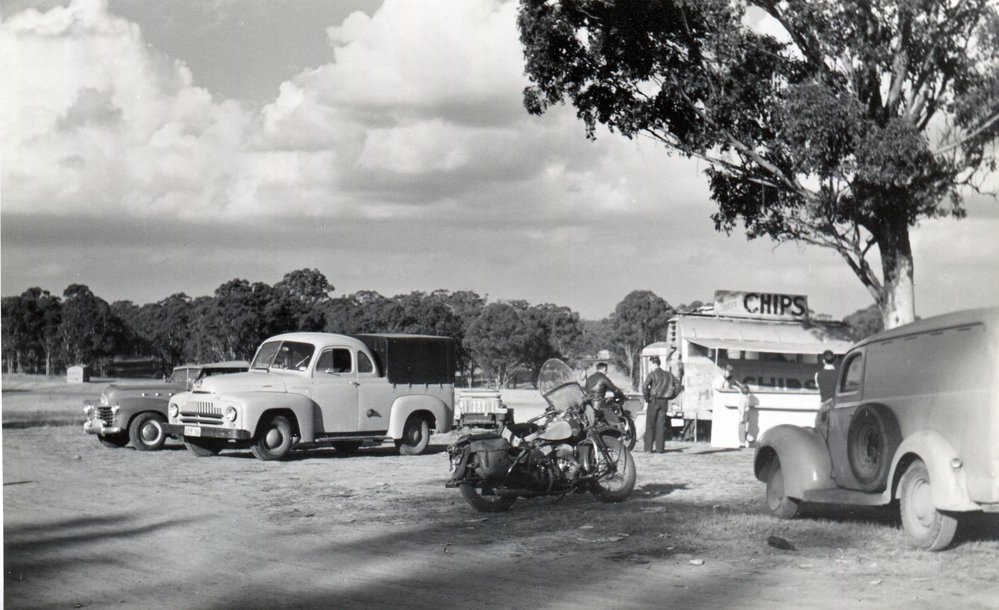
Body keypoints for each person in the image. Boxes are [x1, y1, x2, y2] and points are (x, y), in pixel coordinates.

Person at [717, 364, 755, 448]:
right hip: (746, 413)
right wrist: (736, 386)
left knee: (742, 427)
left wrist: (737, 386)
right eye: (728, 371)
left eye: (730, 372)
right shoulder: (746, 396)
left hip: (743, 413)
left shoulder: (743, 397)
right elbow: (739, 389)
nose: (729, 373)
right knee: (745, 427)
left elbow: (739, 387)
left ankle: (743, 442)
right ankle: (748, 437)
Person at [642, 355, 674, 453]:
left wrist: (647, 398)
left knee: (650, 425)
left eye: (650, 364)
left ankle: (648, 449)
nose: (650, 366)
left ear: (653, 363)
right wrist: (671, 396)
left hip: (653, 400)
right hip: (664, 401)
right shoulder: (668, 374)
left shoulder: (651, 374)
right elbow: (677, 385)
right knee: (661, 425)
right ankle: (660, 449)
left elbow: (644, 387)